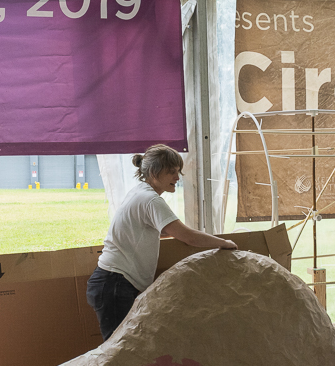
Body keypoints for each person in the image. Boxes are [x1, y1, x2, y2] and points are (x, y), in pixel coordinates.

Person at [86, 144, 237, 340]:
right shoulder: (151, 200)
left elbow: (160, 230)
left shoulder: (140, 192)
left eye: (178, 171)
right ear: (154, 173)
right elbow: (188, 236)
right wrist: (223, 243)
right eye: (171, 172)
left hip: (113, 281)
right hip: (115, 283)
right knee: (119, 349)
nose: (177, 177)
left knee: (125, 347)